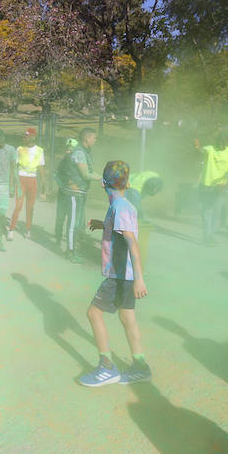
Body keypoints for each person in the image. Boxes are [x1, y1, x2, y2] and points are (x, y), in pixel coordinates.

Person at [80, 160, 150, 386]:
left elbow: (132, 242)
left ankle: (106, 367)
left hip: (120, 276)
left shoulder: (118, 207)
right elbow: (122, 232)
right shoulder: (125, 206)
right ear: (127, 183)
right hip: (126, 276)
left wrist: (139, 279)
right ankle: (140, 366)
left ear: (102, 184)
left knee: (94, 313)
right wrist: (103, 225)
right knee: (127, 317)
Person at [60, 128, 103, 262]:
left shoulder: (85, 152)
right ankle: (70, 252)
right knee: (73, 223)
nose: (95, 141)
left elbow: (90, 171)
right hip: (74, 192)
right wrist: (101, 179)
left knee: (78, 222)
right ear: (87, 138)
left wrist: (104, 178)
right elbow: (85, 174)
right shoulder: (79, 152)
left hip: (80, 192)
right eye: (93, 138)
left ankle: (73, 249)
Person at [194, 132, 228, 245]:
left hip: (221, 186)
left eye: (223, 142)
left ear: (226, 142)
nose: (221, 144)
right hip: (207, 185)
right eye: (219, 142)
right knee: (207, 211)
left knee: (217, 211)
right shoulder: (210, 149)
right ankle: (206, 236)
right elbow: (201, 150)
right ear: (216, 141)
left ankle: (211, 235)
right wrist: (197, 146)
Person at [8, 128, 46, 240]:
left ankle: (28, 229)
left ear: (32, 137)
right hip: (21, 179)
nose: (24, 138)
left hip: (32, 180)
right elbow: (14, 167)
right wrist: (11, 182)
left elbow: (41, 169)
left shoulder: (39, 151)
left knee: (30, 207)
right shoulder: (19, 149)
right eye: (24, 136)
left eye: (26, 136)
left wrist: (43, 185)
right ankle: (11, 229)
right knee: (18, 206)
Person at [124, 171, 164, 267]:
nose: (154, 194)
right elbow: (137, 208)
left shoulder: (155, 177)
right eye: (153, 191)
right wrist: (144, 219)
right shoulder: (135, 190)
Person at [54, 138, 79, 246]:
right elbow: (56, 175)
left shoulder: (78, 163)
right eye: (67, 147)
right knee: (60, 217)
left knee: (73, 220)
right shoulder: (62, 162)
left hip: (74, 195)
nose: (68, 149)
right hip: (63, 194)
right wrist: (62, 186)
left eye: (71, 148)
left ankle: (73, 242)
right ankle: (58, 240)